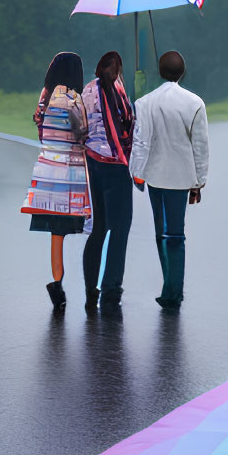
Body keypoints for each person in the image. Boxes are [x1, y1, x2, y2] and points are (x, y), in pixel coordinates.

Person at [129, 50, 209, 309]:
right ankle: (173, 289)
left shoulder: (145, 102)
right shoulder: (195, 102)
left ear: (161, 72)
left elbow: (140, 142)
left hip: (156, 177)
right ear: (182, 72)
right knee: (176, 234)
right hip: (181, 178)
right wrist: (198, 182)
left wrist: (137, 173)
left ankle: (170, 287)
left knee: (161, 233)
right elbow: (200, 145)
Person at [20, 51, 90, 310]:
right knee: (89, 226)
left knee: (56, 233)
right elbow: (82, 133)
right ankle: (92, 285)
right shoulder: (73, 99)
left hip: (47, 168)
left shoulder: (45, 97)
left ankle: (57, 282)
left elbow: (40, 127)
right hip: (70, 171)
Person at [81, 50, 137, 311]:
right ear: (118, 70)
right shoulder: (119, 90)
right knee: (120, 230)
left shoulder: (87, 90)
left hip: (93, 164)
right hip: (118, 166)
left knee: (98, 230)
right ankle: (112, 289)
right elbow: (128, 125)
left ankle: (90, 289)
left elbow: (81, 127)